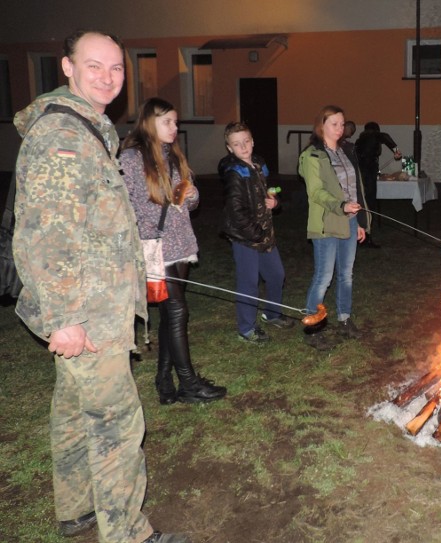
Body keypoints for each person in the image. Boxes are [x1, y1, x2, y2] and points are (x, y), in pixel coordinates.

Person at [12, 30, 190, 542]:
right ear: (67, 67)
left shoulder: (90, 129)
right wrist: (64, 319)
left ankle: (76, 509)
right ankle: (129, 533)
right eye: (94, 66)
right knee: (116, 425)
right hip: (87, 312)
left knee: (72, 411)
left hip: (97, 303)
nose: (108, 77)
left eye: (116, 68)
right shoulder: (63, 136)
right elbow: (45, 234)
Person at [121, 98, 227, 405]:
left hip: (181, 244)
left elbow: (189, 203)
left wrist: (192, 195)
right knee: (178, 309)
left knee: (171, 313)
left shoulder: (173, 155)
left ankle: (164, 380)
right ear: (149, 122)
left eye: (176, 122)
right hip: (155, 245)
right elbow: (129, 205)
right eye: (167, 121)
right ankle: (189, 383)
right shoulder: (131, 158)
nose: (175, 127)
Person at [298, 105, 370, 349]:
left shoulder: (347, 151)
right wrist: (341, 205)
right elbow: (316, 192)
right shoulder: (312, 155)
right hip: (327, 222)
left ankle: (344, 319)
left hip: (348, 220)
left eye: (342, 124)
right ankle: (312, 326)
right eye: (334, 124)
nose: (340, 129)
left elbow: (355, 188)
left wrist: (359, 221)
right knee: (323, 277)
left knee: (346, 275)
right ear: (321, 126)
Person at [218, 121, 294, 344]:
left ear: (252, 142)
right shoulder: (234, 173)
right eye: (236, 144)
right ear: (229, 148)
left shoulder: (259, 165)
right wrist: (256, 234)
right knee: (248, 282)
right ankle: (246, 328)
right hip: (245, 237)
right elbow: (236, 211)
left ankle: (272, 313)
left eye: (246, 142)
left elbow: (267, 192)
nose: (243, 147)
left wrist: (275, 202)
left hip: (264, 232)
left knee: (276, 275)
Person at [354, 121, 402, 248]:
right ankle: (366, 237)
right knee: (369, 205)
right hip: (368, 175)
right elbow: (385, 137)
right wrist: (396, 150)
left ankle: (359, 235)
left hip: (359, 174)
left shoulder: (359, 141)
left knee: (360, 204)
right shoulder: (374, 135)